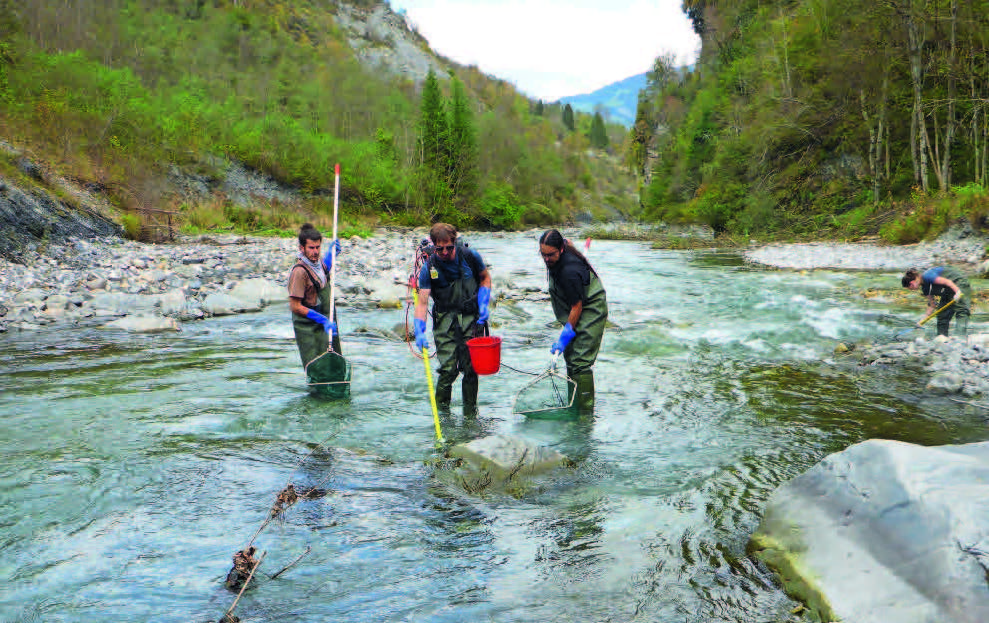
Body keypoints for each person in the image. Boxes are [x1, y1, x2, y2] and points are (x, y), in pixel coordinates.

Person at [413, 223, 492, 414]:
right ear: (434, 246)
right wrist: (419, 330)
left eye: (449, 247)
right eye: (440, 249)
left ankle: (470, 415)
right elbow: (422, 302)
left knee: (471, 369)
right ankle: (442, 416)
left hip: (471, 318)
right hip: (444, 320)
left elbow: (485, 278)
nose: (445, 252)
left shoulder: (470, 256)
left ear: (455, 242)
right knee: (448, 370)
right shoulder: (429, 267)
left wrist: (483, 302)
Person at [539, 229, 608, 412]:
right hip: (577, 304)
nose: (546, 259)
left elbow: (577, 307)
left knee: (580, 362)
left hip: (590, 307)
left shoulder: (569, 271)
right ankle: (573, 405)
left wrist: (564, 337)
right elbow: (567, 240)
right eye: (543, 255)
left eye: (550, 255)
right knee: (571, 358)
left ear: (560, 250)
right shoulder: (562, 249)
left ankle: (585, 413)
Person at [288, 223, 343, 369]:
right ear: (302, 248)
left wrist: (331, 255)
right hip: (308, 326)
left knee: (332, 359)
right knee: (316, 365)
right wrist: (322, 320)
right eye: (311, 248)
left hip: (323, 317)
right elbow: (294, 306)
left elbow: (321, 274)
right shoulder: (299, 272)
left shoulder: (316, 262)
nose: (315, 252)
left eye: (318, 247)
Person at [902, 266, 971, 338]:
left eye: (911, 288)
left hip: (957, 283)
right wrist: (923, 319)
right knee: (942, 315)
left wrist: (958, 292)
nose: (912, 290)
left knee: (961, 310)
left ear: (912, 283)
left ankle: (960, 337)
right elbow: (932, 305)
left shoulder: (928, 276)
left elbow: (948, 282)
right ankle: (942, 338)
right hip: (946, 289)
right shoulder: (925, 288)